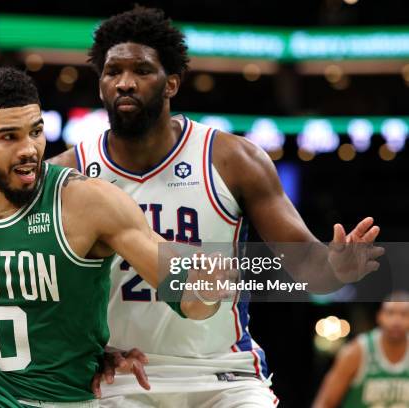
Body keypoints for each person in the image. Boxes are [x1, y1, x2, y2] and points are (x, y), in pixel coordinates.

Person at [49, 6, 382, 407]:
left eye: (141, 70)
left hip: (223, 373)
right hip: (120, 373)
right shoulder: (69, 172)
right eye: (112, 71)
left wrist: (336, 270)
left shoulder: (232, 159)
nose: (124, 83)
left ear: (171, 83)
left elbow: (310, 267)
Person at [0, 66, 219, 408]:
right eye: (10, 136)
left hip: (70, 397)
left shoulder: (87, 200)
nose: (29, 149)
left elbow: (190, 297)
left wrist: (210, 285)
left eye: (36, 131)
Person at [313, 293, 409, 408]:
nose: (396, 321)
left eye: (404, 315)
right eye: (390, 313)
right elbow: (324, 403)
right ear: (379, 317)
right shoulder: (356, 352)